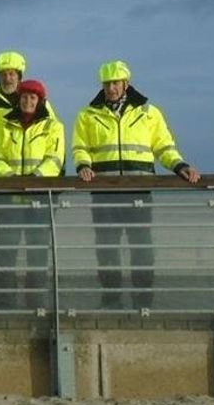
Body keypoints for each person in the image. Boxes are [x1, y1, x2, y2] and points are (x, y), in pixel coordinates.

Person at [72, 60, 200, 309]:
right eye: (107, 83)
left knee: (141, 247)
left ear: (126, 84)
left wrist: (180, 166)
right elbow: (80, 147)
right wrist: (83, 166)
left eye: (116, 83)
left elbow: (164, 146)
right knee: (107, 247)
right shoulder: (87, 115)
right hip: (104, 192)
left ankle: (143, 298)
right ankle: (112, 298)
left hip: (139, 190)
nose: (111, 88)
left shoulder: (148, 113)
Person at [0, 80, 65, 309]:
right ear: (18, 99)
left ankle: (36, 301)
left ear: (40, 101)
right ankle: (5, 300)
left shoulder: (52, 126)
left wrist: (36, 178)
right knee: (5, 253)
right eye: (24, 97)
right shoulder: (6, 125)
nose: (27, 101)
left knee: (37, 254)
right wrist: (10, 178)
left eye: (32, 98)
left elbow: (55, 158)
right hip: (9, 200)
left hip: (38, 200)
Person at [0, 51, 59, 174]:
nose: (7, 79)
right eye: (3, 75)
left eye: (12, 74)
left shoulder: (40, 103)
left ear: (19, 77)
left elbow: (54, 139)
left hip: (38, 178)